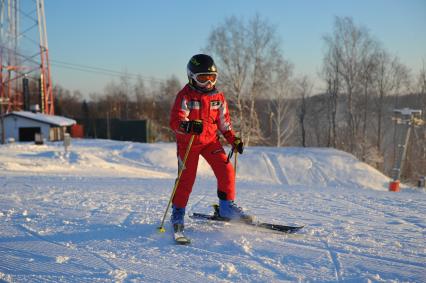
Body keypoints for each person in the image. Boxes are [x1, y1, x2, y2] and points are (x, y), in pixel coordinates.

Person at [169, 54, 251, 232]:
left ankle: (226, 208)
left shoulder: (218, 97)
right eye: (203, 78)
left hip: (210, 142)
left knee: (226, 169)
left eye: (212, 78)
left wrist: (233, 139)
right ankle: (178, 212)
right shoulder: (185, 96)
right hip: (189, 143)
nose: (208, 83)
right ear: (192, 77)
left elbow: (224, 123)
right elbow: (175, 122)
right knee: (186, 179)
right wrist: (188, 125)